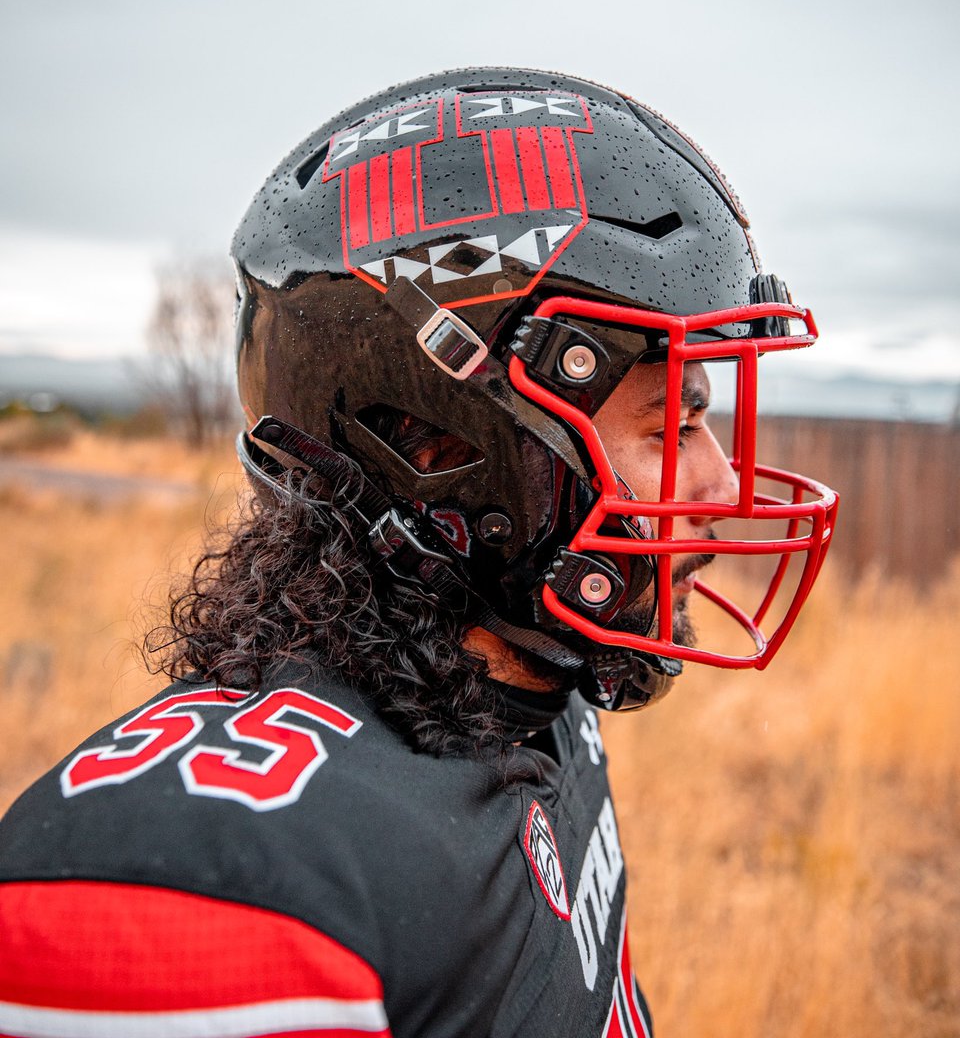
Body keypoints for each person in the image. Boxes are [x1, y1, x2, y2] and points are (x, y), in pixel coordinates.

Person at [0, 68, 837, 1037]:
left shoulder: (524, 680)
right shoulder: (201, 872)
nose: (717, 483)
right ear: (439, 444)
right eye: (665, 424)